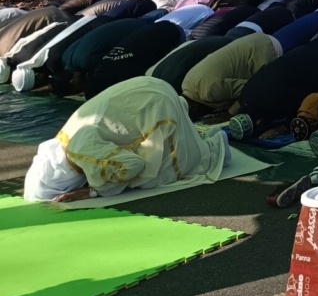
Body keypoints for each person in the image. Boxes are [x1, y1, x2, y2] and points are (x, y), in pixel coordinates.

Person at [23, 76, 229, 202]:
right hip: (148, 87)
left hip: (154, 103)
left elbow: (133, 164)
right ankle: (199, 140)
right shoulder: (66, 136)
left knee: (157, 176)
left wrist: (93, 192)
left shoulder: (79, 153)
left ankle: (215, 148)